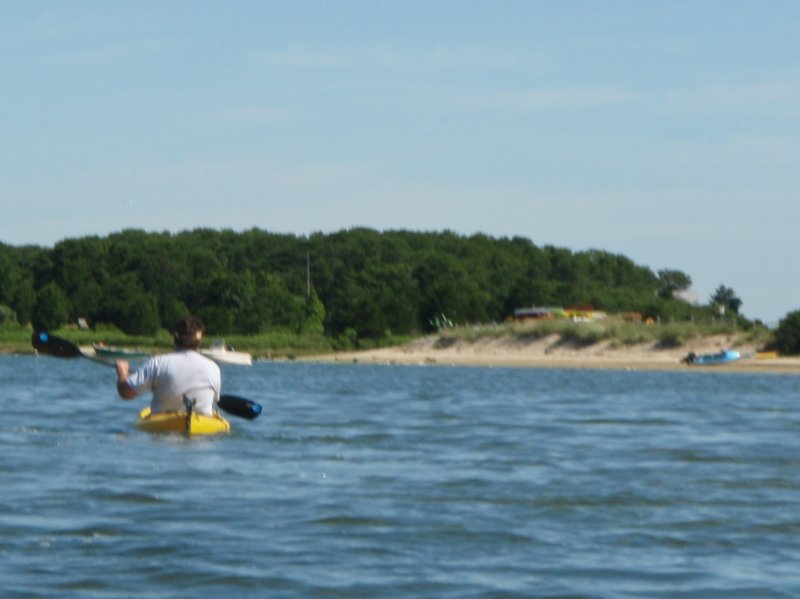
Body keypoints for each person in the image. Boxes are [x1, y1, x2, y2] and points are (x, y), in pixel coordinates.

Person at [115, 316, 221, 416]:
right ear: (200, 340)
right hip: (201, 428)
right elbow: (216, 399)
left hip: (164, 426)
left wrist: (122, 373)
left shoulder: (157, 363)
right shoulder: (213, 367)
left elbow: (125, 393)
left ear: (175, 338)